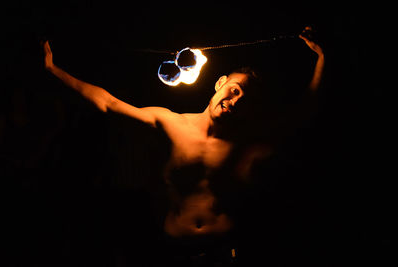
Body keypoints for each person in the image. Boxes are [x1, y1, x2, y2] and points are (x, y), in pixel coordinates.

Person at [42, 26, 324, 265]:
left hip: (224, 253)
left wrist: (324, 57)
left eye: (245, 99)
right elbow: (108, 103)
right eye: (235, 90)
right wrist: (51, 70)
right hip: (171, 251)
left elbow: (306, 110)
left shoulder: (247, 141)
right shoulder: (171, 123)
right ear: (220, 83)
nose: (235, 100)